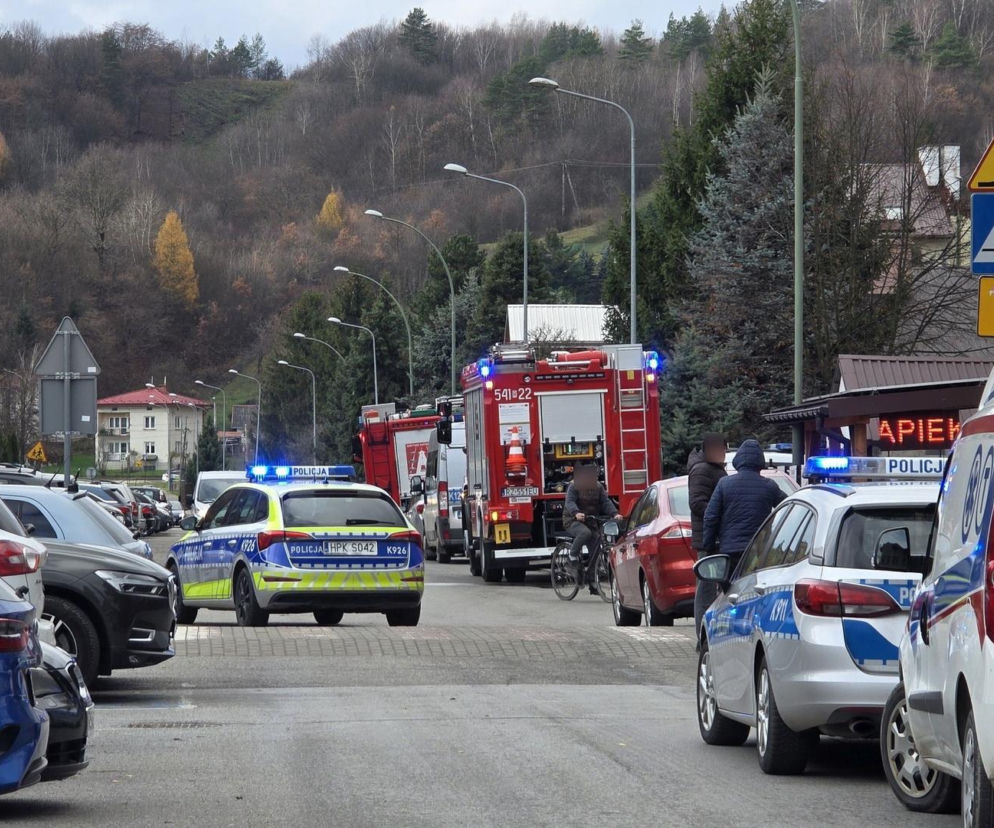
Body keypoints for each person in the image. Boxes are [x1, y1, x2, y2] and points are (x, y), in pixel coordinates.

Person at [697, 439, 786, 634]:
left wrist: (709, 546)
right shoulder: (769, 486)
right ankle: (750, 631)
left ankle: (727, 633)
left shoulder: (724, 484)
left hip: (730, 551)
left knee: (729, 594)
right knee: (754, 594)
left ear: (738, 461)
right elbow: (787, 507)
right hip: (757, 553)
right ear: (759, 462)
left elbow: (711, 517)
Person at [688, 433, 727, 636]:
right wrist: (719, 516)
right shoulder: (702, 470)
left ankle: (712, 635)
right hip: (708, 539)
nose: (722, 453)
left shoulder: (711, 469)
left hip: (714, 537)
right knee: (705, 591)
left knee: (712, 589)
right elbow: (696, 503)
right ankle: (702, 638)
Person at [563, 463, 618, 592]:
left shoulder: (598, 487)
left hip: (590, 521)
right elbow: (569, 502)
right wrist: (576, 513)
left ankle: (592, 581)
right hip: (572, 520)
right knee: (584, 533)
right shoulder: (574, 486)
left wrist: (615, 513)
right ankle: (571, 559)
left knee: (597, 545)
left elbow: (605, 502)